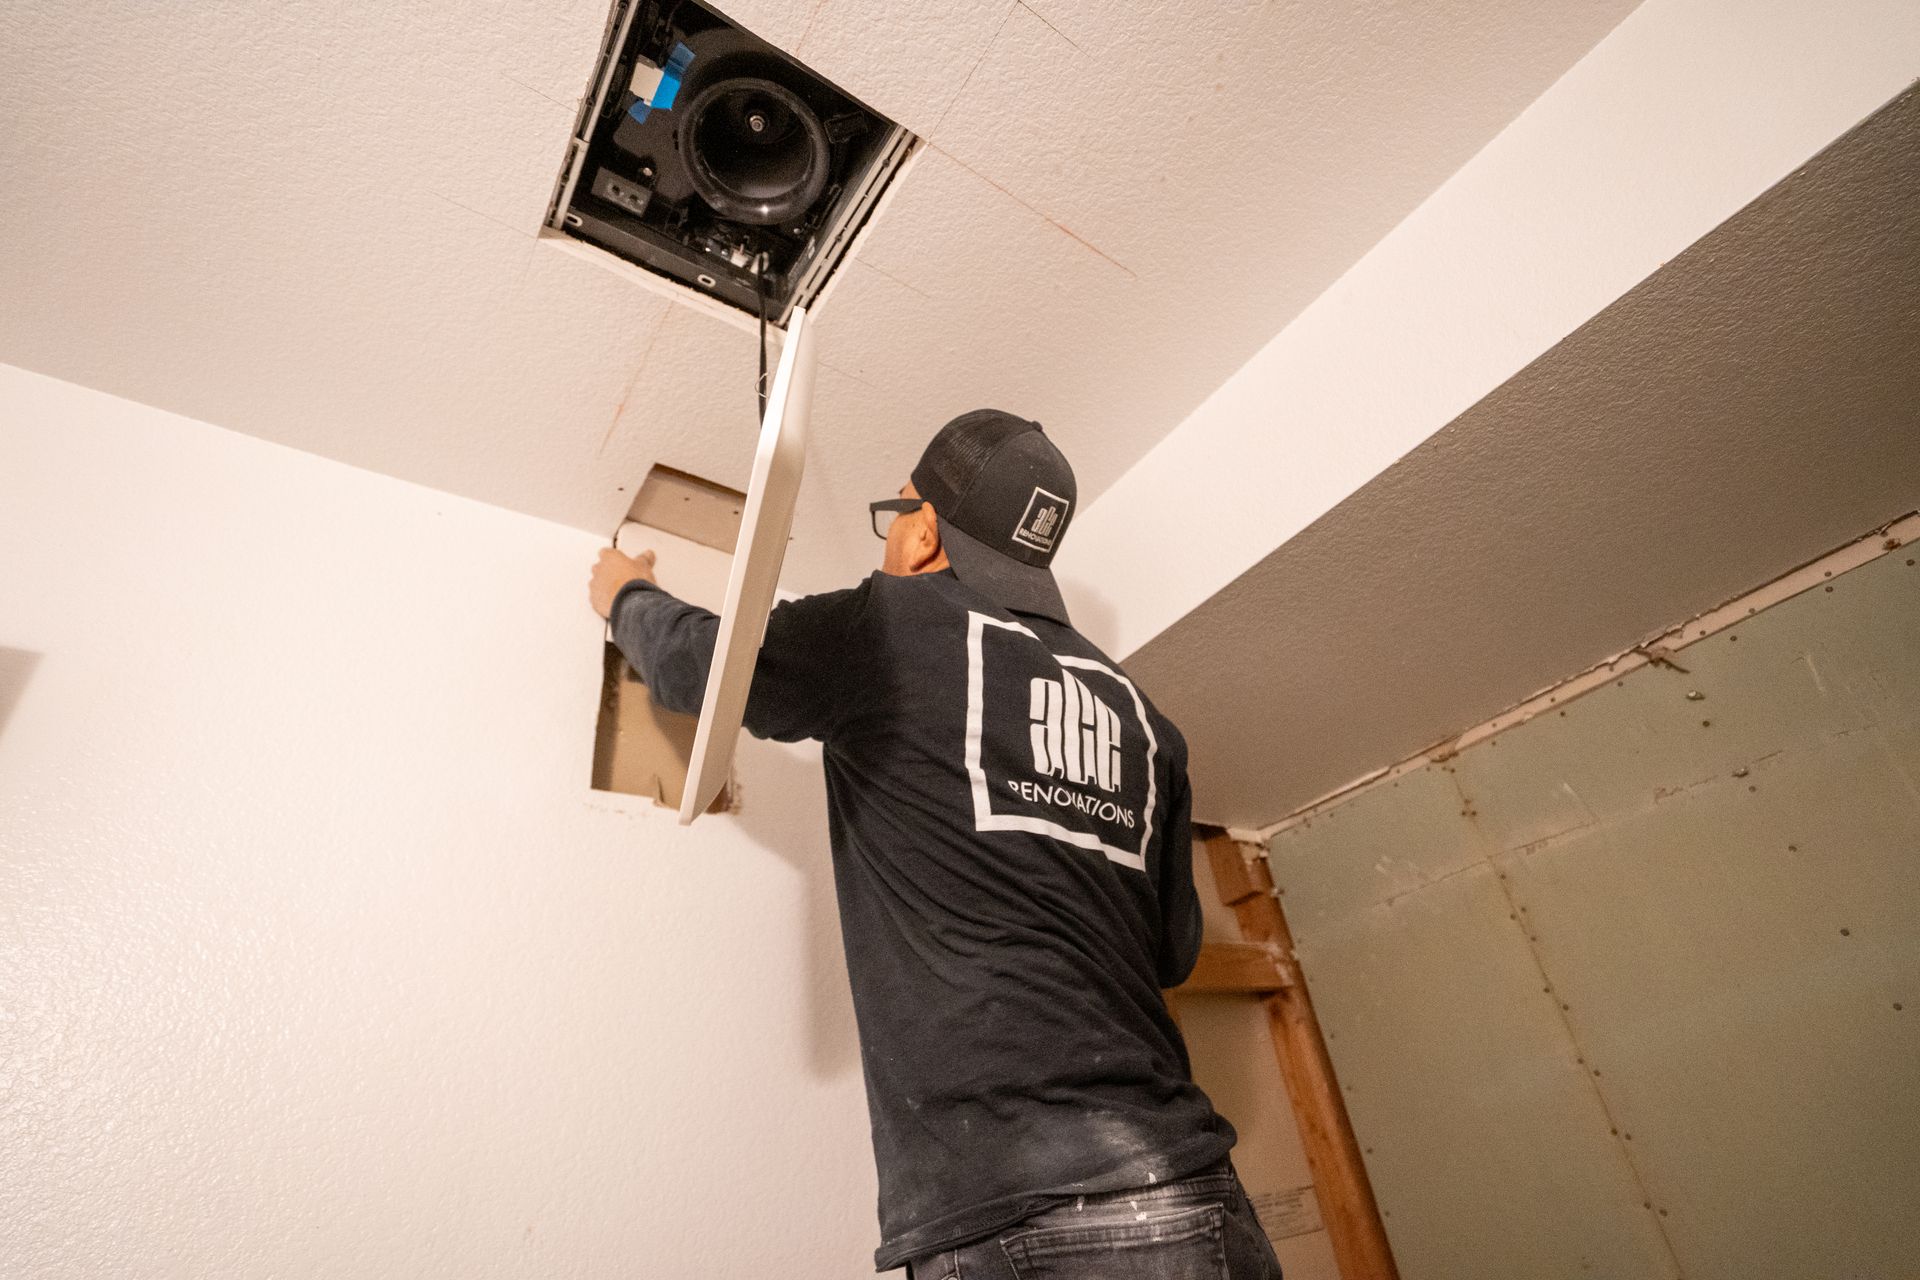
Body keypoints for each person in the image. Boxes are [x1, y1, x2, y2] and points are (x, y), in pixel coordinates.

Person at [588, 409, 1282, 1279]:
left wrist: (623, 596)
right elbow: (1172, 953)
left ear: (920, 534)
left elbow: (709, 667)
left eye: (898, 516)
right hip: (1192, 1187)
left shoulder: (890, 625)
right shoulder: (1148, 726)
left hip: (1019, 1205)